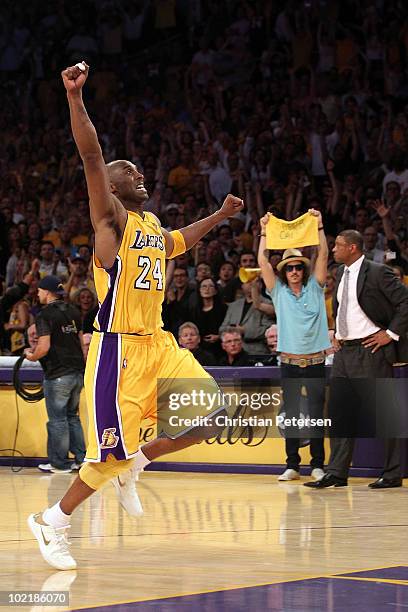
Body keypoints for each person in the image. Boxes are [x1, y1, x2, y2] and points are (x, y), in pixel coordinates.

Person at [28, 61, 244, 571]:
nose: (141, 176)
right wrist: (76, 98)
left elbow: (182, 242)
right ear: (113, 184)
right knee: (105, 456)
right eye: (132, 173)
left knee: (215, 415)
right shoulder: (111, 221)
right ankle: (52, 519)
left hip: (160, 344)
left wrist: (221, 216)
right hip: (118, 351)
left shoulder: (150, 225)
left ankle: (136, 464)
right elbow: (91, 154)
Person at [304, 230, 408, 489]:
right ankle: (337, 472)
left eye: (338, 246)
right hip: (344, 352)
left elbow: (405, 302)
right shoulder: (341, 273)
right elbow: (343, 307)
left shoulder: (377, 271)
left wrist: (391, 333)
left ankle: (393, 474)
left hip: (370, 349)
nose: (334, 249)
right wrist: (336, 332)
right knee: (338, 412)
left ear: (352, 248)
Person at [258, 210, 330, 483]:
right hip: (288, 362)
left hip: (314, 362)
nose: (295, 271)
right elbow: (261, 261)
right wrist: (264, 231)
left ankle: (317, 465)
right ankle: (292, 465)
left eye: (299, 267)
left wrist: (320, 226)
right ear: (284, 272)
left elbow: (322, 255)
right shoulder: (278, 292)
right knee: (290, 417)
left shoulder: (315, 288)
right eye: (290, 268)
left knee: (314, 417)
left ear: (304, 270)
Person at [24, 275, 86, 474]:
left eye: (40, 290)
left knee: (58, 419)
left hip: (58, 373)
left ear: (48, 292)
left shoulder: (45, 315)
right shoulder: (74, 311)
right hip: (77, 372)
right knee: (72, 417)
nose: (38, 294)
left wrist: (31, 357)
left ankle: (60, 463)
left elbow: (44, 346)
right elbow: (80, 342)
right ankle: (81, 459)